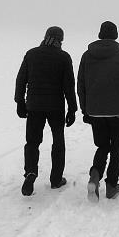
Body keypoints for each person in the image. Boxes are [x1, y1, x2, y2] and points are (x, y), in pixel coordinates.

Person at [77, 21, 119, 201]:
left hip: (95, 111)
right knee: (116, 148)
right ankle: (111, 186)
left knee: (102, 146)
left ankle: (95, 177)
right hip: (117, 111)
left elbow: (81, 84)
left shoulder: (87, 56)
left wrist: (85, 110)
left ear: (100, 34)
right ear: (116, 35)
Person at [15, 26, 77, 196]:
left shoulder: (32, 54)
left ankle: (30, 173)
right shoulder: (63, 57)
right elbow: (69, 86)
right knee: (58, 142)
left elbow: (21, 80)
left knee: (32, 142)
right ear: (60, 40)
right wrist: (72, 109)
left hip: (34, 106)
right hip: (55, 107)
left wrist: (20, 101)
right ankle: (56, 179)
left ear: (45, 37)